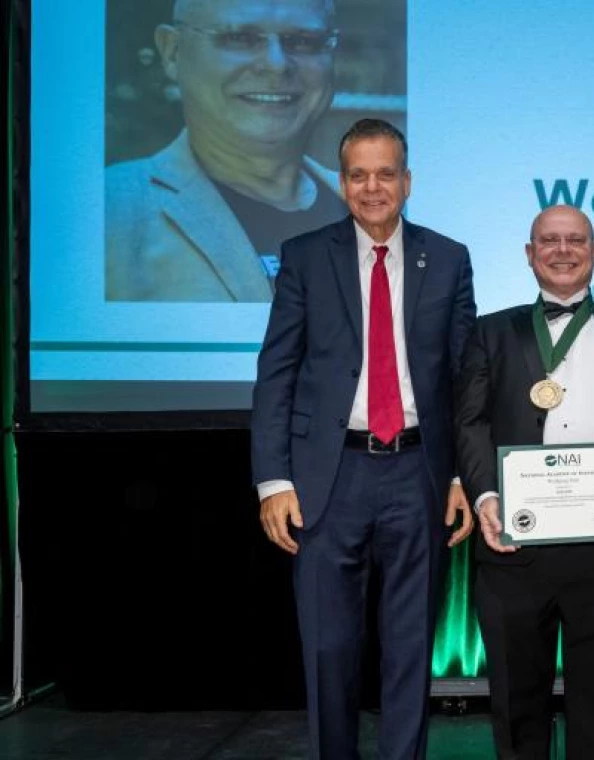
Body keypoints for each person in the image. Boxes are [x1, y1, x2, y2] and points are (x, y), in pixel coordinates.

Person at [250, 117, 475, 759]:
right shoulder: (303, 256)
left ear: (407, 182)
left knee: (409, 649)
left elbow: (464, 380)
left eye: (385, 174)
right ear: (342, 182)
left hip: (418, 474)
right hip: (329, 477)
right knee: (327, 648)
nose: (372, 187)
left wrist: (461, 475)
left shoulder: (450, 257)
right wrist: (273, 479)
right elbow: (277, 375)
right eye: (357, 175)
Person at [456, 205, 594, 759]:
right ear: (530, 255)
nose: (562, 250)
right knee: (515, 703)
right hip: (512, 546)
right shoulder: (489, 333)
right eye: (549, 241)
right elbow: (468, 420)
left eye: (575, 240)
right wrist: (485, 495)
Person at [106, 0, 347, 301]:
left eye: (303, 41)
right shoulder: (105, 216)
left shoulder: (388, 213)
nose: (276, 64)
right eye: (240, 38)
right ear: (172, 52)